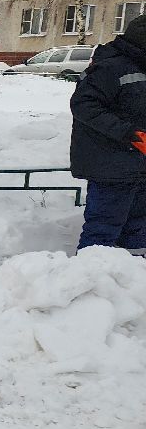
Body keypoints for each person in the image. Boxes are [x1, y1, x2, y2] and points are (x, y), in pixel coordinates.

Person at [69, 14, 146, 254]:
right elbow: (83, 105)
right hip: (112, 165)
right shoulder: (110, 67)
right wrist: (128, 133)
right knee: (103, 227)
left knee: (138, 227)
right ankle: (89, 278)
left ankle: (128, 275)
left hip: (139, 164)